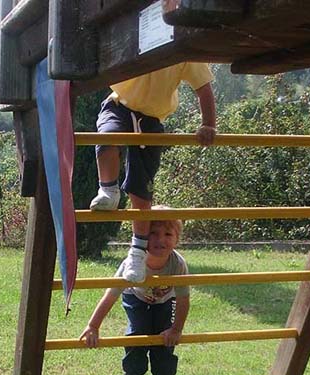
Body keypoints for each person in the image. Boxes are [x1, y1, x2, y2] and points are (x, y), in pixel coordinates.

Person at [90, 62, 216, 283]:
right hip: (119, 105)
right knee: (107, 138)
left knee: (141, 190)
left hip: (151, 120)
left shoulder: (186, 55)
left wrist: (208, 125)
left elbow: (204, 88)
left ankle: (137, 254)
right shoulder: (143, 42)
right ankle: (108, 189)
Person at [79, 210, 190, 375]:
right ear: (142, 237)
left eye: (168, 234)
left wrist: (176, 329)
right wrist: (93, 326)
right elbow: (111, 294)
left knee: (165, 335)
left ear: (177, 239)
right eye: (153, 233)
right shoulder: (133, 263)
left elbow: (183, 300)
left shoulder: (178, 264)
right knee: (137, 333)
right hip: (136, 297)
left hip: (165, 300)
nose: (160, 239)